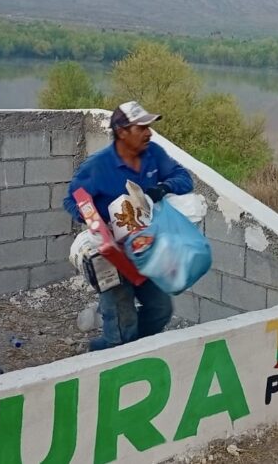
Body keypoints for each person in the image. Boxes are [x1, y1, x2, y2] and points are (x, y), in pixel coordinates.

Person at [63, 100, 193, 351]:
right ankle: (106, 352)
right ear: (122, 132)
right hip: (110, 254)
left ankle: (129, 351)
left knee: (160, 310)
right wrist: (94, 221)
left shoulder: (153, 154)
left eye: (148, 127)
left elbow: (183, 178)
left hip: (145, 249)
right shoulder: (97, 166)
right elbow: (72, 200)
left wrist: (162, 188)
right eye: (141, 128)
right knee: (122, 326)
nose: (149, 133)